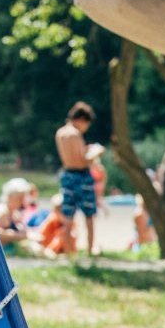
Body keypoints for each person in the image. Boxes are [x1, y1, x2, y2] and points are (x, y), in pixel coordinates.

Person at [55, 101, 98, 255]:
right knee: (89, 215)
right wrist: (96, 152)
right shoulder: (75, 134)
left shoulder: (60, 133)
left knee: (67, 216)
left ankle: (68, 252)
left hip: (67, 175)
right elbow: (83, 159)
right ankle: (90, 251)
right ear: (81, 119)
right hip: (81, 176)